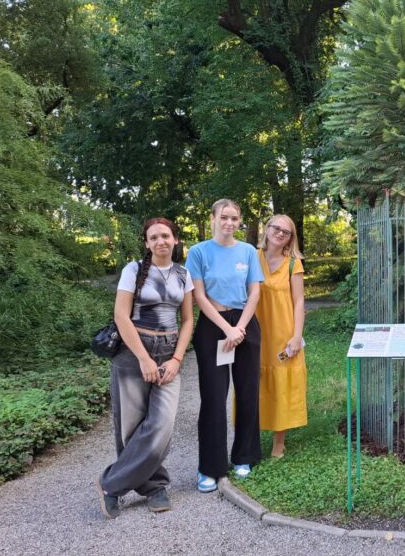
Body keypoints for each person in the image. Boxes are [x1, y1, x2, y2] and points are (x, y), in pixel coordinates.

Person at [97, 218, 194, 519]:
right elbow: (121, 316)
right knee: (131, 426)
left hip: (168, 352)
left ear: (175, 239)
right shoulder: (134, 270)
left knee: (161, 425)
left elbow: (188, 320)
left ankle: (110, 485)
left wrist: (176, 359)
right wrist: (143, 358)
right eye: (153, 237)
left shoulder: (183, 274)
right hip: (133, 352)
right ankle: (155, 487)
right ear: (147, 243)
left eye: (165, 236)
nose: (160, 241)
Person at [187, 199, 264, 492]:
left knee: (248, 392)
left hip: (245, 325)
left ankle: (244, 456)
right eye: (224, 217)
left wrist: (239, 328)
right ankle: (210, 467)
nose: (229, 223)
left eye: (234, 218)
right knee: (214, 397)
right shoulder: (198, 252)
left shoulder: (248, 251)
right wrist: (227, 329)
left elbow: (254, 292)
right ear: (213, 219)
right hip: (213, 326)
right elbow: (199, 296)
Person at [257, 214, 307, 458]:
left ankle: (279, 442)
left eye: (285, 232)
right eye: (276, 228)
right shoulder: (251, 257)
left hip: (283, 333)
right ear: (267, 229)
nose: (279, 233)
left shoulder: (293, 264)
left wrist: (296, 336)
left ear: (290, 238)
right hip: (255, 332)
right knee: (253, 382)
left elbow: (299, 302)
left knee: (282, 386)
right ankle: (251, 435)